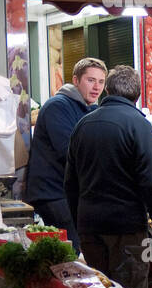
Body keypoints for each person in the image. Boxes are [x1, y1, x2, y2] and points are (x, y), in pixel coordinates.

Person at [64, 65, 152, 288]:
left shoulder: (83, 125)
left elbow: (70, 183)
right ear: (137, 94)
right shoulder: (140, 125)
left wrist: (80, 220)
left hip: (90, 228)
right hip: (130, 231)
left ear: (107, 90)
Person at [25, 57, 105, 252]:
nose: (96, 87)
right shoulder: (58, 106)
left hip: (71, 194)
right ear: (76, 80)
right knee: (74, 250)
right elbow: (69, 151)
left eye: (101, 82)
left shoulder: (91, 109)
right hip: (52, 194)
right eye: (90, 80)